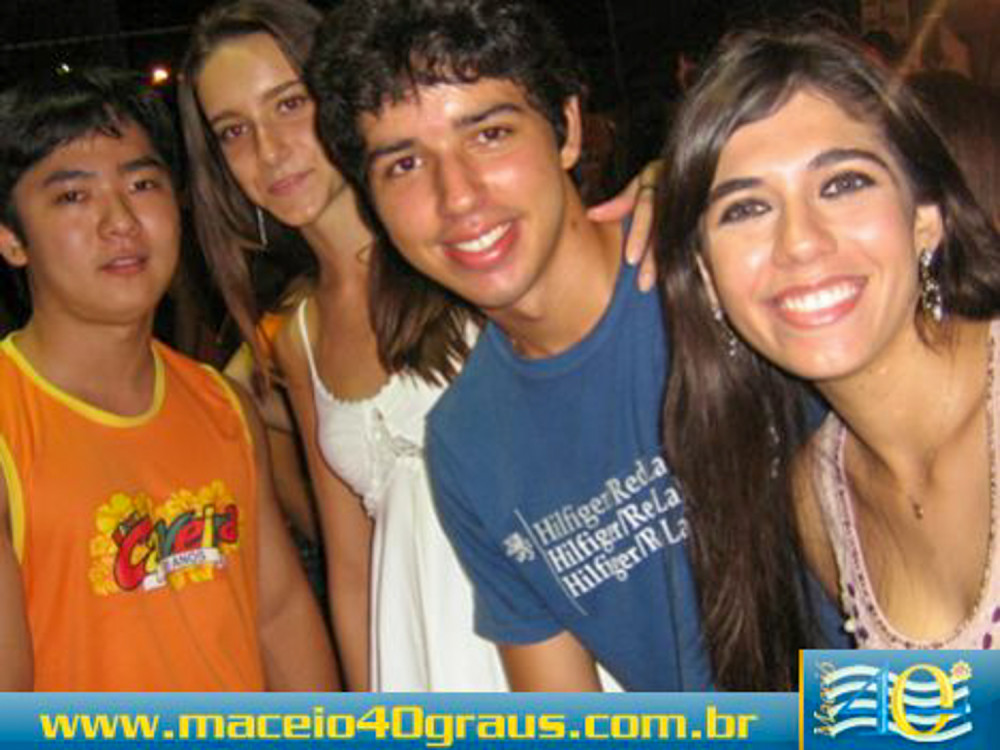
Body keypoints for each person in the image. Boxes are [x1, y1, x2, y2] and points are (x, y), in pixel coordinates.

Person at [308, 0, 713, 692]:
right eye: (404, 164)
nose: (458, 196)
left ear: (568, 129)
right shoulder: (465, 445)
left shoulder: (711, 273)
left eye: (490, 134)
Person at [656, 27, 1000, 690]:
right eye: (746, 208)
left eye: (843, 183)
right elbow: (937, 727)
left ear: (925, 219)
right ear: (706, 278)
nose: (800, 242)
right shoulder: (818, 498)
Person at [178, 0, 501, 692]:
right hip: (417, 664)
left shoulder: (464, 248)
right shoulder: (299, 335)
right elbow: (352, 572)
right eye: (234, 131)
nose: (269, 151)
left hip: (540, 645)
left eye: (289, 104)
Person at [0, 66, 337, 690]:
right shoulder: (11, 424)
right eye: (73, 196)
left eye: (142, 183)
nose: (120, 221)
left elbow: (279, 615)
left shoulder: (223, 405)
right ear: (11, 239)